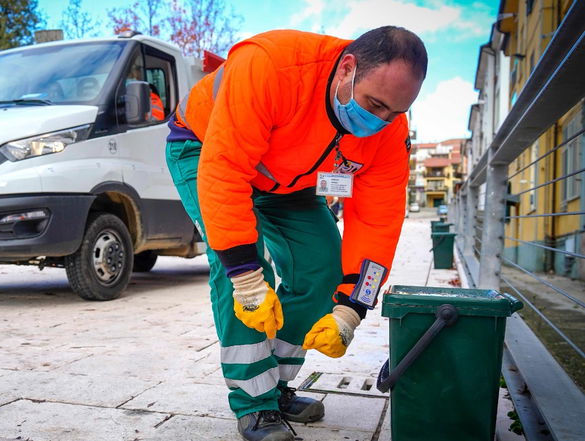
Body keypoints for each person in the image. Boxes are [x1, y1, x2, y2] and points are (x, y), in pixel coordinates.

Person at [165, 27, 426, 441]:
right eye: (374, 104)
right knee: (245, 266)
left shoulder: (388, 132)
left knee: (322, 268)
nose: (379, 122)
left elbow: (379, 220)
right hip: (205, 147)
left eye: (394, 113)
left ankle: (277, 387)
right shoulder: (271, 66)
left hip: (290, 181)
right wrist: (245, 278)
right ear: (347, 68)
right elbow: (226, 170)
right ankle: (254, 404)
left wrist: (351, 307)